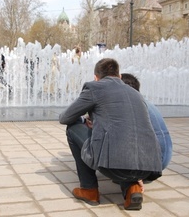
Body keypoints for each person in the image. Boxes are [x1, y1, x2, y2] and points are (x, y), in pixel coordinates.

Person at [59, 58, 162, 210]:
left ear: (96, 78)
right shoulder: (136, 93)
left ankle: (89, 190)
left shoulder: (94, 88)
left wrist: (84, 120)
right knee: (123, 141)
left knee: (72, 127)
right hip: (148, 168)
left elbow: (65, 117)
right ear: (119, 76)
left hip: (114, 166)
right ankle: (131, 188)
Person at [121, 73, 172, 170]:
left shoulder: (132, 107)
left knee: (85, 134)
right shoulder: (142, 102)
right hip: (160, 161)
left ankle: (89, 184)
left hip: (151, 165)